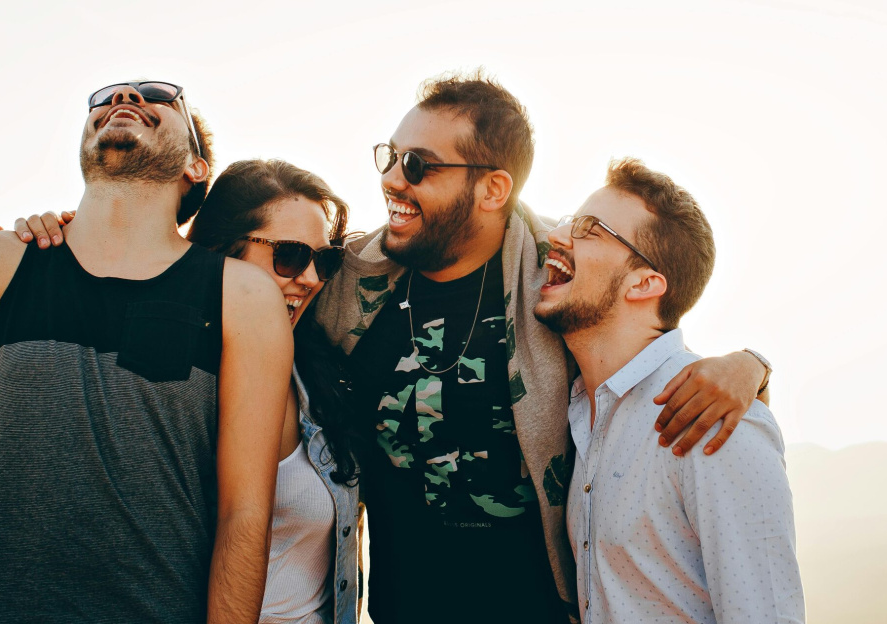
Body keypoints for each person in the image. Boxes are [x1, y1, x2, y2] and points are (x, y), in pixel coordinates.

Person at [312, 72, 773, 623]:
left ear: (493, 189)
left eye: (417, 165)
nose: (391, 179)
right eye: (389, 156)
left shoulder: (557, 276)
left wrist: (751, 367)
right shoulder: (345, 282)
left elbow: (644, 329)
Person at [0, 81, 293, 624]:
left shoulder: (242, 297)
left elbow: (244, 513)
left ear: (195, 166)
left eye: (158, 96)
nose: (123, 94)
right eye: (104, 97)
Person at [535, 158, 803, 623]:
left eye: (589, 229)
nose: (557, 237)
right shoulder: (581, 414)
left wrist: (755, 364)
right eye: (565, 222)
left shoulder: (717, 421)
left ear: (644, 283)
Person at [186, 159, 361, 624]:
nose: (310, 278)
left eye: (324, 261)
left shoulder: (316, 377)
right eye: (289, 256)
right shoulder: (172, 380)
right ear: (222, 250)